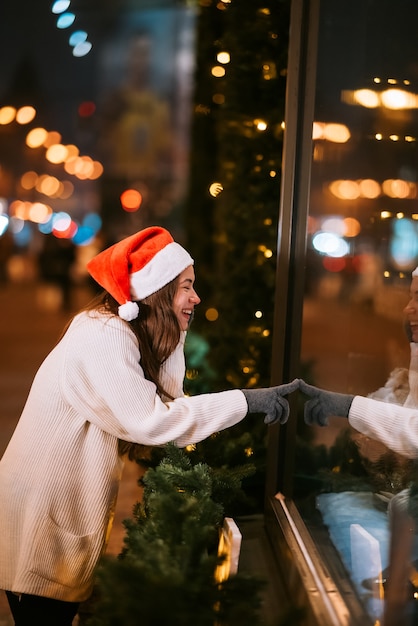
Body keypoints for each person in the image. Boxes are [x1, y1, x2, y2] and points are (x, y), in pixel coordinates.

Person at [0, 225, 298, 626]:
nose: (196, 297)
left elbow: (166, 400)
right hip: (42, 518)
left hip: (54, 515)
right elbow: (152, 421)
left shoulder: (121, 331)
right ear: (157, 291)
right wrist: (247, 401)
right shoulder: (103, 334)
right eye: (186, 287)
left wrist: (174, 332)